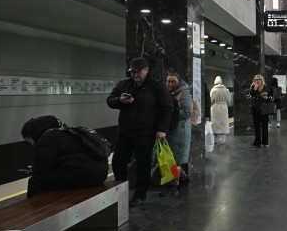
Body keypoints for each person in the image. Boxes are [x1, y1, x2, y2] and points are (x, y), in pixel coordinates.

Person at [107, 57, 173, 207]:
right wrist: (119, 101)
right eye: (133, 72)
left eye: (138, 71)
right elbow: (110, 100)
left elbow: (167, 108)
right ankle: (121, 191)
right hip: (125, 131)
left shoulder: (156, 86)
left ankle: (140, 194)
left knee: (143, 164)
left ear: (146, 70)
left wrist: (162, 129)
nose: (135, 75)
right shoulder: (124, 84)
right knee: (118, 161)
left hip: (146, 132)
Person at [21, 116, 109, 198]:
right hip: (101, 173)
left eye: (29, 141)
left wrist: (34, 168)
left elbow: (41, 168)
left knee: (35, 181)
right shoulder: (67, 132)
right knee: (54, 178)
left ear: (30, 135)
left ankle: (37, 208)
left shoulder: (46, 137)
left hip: (87, 175)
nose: (32, 144)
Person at [162, 72, 193, 196]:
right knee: (170, 158)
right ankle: (183, 178)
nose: (170, 84)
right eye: (168, 81)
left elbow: (187, 111)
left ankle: (173, 187)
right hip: (171, 131)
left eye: (173, 81)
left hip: (180, 132)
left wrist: (169, 115)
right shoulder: (169, 93)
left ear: (179, 82)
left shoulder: (183, 93)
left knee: (173, 160)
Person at [247, 74, 273, 147]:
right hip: (256, 109)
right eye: (256, 79)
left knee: (264, 126)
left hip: (264, 109)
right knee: (257, 127)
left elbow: (272, 99)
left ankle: (265, 143)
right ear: (254, 81)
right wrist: (255, 89)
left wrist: (267, 98)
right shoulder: (252, 88)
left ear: (262, 80)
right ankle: (257, 142)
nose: (258, 81)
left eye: (259, 79)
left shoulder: (266, 88)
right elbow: (249, 98)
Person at [209, 76, 231, 144]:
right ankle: (222, 140)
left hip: (215, 108)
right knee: (223, 124)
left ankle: (214, 139)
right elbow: (229, 100)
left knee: (215, 124)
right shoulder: (226, 90)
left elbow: (211, 100)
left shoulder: (213, 90)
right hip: (224, 108)